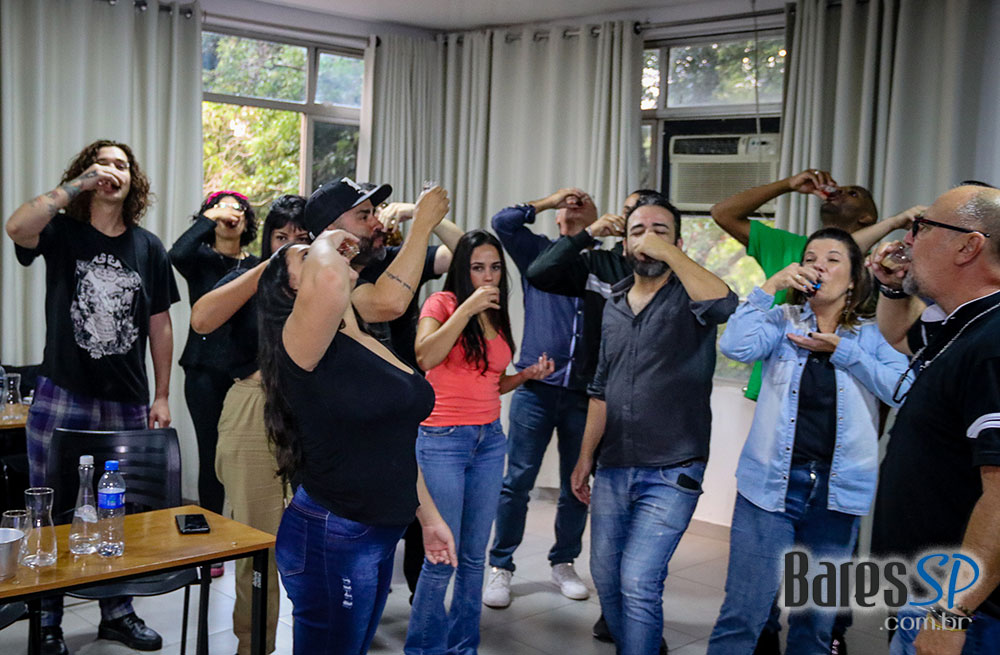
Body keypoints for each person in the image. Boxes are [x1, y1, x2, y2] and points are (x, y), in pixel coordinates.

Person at [710, 168, 923, 655]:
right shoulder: (781, 321)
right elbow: (737, 346)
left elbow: (905, 390)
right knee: (742, 616)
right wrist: (770, 286)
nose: (818, 266)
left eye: (832, 259)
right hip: (770, 488)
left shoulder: (872, 335)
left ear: (854, 277)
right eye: (809, 259)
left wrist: (843, 352)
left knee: (814, 628)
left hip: (836, 496)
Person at [4, 139, 179, 654]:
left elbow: (161, 325)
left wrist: (162, 394)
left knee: (116, 509)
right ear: (86, 174)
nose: (111, 171)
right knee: (50, 505)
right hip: (63, 392)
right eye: (102, 163)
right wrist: (75, 186)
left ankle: (117, 612)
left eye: (121, 165)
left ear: (133, 180)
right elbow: (17, 227)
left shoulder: (148, 247)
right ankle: (48, 618)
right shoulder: (62, 233)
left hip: (127, 400)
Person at [257, 227, 456, 655]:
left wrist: (428, 518)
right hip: (334, 533)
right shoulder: (301, 345)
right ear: (293, 290)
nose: (326, 257)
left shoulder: (363, 339)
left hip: (378, 532)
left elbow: (393, 444)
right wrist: (327, 238)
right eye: (306, 258)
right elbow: (329, 277)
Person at [571, 194, 738, 655]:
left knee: (638, 580)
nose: (647, 239)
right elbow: (600, 388)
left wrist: (669, 254)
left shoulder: (693, 295)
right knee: (606, 576)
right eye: (638, 231)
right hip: (614, 466)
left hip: (673, 468)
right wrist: (585, 458)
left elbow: (727, 306)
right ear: (624, 244)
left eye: (660, 231)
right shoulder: (614, 303)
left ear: (678, 243)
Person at [405, 229, 555, 655]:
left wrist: (525, 376)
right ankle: (423, 650)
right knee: (442, 555)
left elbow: (490, 380)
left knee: (474, 558)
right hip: (443, 440)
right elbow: (425, 356)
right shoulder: (442, 303)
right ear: (461, 270)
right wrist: (467, 308)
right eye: (477, 268)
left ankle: (463, 647)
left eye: (494, 268)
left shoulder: (496, 312)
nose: (488, 276)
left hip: (489, 439)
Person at [868, 185, 1000, 655]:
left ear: (968, 246)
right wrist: (892, 286)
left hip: (963, 607)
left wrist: (952, 612)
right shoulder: (964, 323)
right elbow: (898, 335)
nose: (908, 240)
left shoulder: (992, 343)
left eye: (922, 228)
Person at [524, 188, 652, 644]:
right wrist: (588, 234)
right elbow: (540, 271)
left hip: (649, 408)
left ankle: (635, 615)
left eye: (653, 223)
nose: (640, 229)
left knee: (637, 515)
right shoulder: (600, 263)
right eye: (633, 219)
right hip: (596, 398)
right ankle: (614, 609)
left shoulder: (677, 273)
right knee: (602, 503)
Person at [191, 194, 310, 655]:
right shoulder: (248, 274)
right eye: (281, 237)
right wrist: (270, 268)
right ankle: (253, 644)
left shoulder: (329, 280)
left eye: (301, 238)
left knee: (316, 540)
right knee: (258, 544)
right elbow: (202, 319)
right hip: (252, 407)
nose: (291, 246)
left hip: (311, 410)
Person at [482, 188, 600, 611]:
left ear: (597, 217)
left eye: (582, 202)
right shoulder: (538, 252)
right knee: (516, 482)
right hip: (535, 388)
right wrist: (550, 200)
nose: (574, 205)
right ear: (555, 219)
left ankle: (564, 562)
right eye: (566, 205)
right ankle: (501, 566)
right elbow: (502, 222)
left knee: (576, 484)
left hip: (584, 394)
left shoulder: (603, 262)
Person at [357, 186, 464, 604]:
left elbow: (463, 253)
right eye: (366, 215)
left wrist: (419, 216)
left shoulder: (403, 257)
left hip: (407, 394)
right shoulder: (341, 266)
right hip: (362, 401)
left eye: (378, 213)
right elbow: (384, 305)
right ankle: (367, 594)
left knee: (420, 500)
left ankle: (422, 599)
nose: (376, 223)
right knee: (374, 504)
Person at [169, 190, 258, 548]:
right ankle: (212, 542)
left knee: (244, 457)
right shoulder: (199, 260)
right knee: (211, 453)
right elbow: (177, 253)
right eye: (221, 209)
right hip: (203, 369)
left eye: (238, 210)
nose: (230, 214)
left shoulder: (257, 265)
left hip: (248, 371)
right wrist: (211, 215)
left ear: (248, 222)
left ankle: (244, 532)